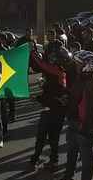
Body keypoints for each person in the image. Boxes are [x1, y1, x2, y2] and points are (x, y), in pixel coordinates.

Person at [52, 50, 93, 180]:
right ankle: (68, 178)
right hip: (74, 121)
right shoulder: (82, 78)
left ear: (88, 65)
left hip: (84, 125)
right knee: (71, 152)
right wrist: (67, 97)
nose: (76, 65)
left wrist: (83, 129)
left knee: (86, 156)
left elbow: (91, 110)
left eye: (80, 63)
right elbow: (76, 95)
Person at [24, 45, 69, 173]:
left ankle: (33, 162)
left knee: (41, 139)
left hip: (51, 111)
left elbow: (40, 64)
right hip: (60, 112)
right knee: (54, 139)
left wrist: (32, 51)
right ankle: (54, 161)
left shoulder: (54, 72)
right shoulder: (64, 73)